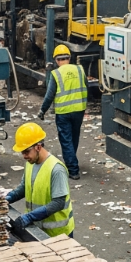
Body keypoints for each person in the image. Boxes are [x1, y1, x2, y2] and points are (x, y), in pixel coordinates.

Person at [4, 123, 75, 238]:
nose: (24, 156)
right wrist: (8, 198)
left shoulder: (56, 169)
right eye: (22, 152)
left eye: (26, 151)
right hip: (37, 228)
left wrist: (30, 217)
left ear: (38, 147)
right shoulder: (30, 163)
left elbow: (58, 203)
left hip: (58, 234)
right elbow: (24, 187)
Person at [37, 44, 88, 180]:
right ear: (69, 58)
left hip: (63, 112)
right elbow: (86, 86)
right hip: (79, 110)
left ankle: (73, 170)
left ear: (57, 60)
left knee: (66, 139)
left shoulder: (56, 74)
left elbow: (49, 95)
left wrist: (42, 110)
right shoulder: (79, 70)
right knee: (74, 136)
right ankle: (72, 160)